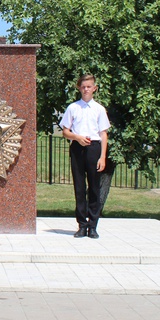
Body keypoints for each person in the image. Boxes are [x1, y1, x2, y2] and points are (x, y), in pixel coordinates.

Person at [59, 74, 111, 239]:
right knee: (79, 187)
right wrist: (77, 137)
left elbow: (103, 134)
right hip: (78, 148)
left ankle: (93, 225)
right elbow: (65, 131)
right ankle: (82, 224)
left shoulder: (99, 109)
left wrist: (102, 157)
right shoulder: (73, 108)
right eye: (83, 86)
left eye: (89, 86)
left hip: (94, 148)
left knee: (94, 187)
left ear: (94, 88)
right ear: (79, 88)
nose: (86, 89)